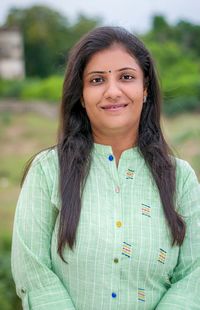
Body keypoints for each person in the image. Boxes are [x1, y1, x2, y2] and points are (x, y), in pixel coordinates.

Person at [11, 26, 200, 310]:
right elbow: (32, 270)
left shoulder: (181, 178)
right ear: (82, 95)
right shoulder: (48, 171)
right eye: (97, 80)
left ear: (145, 88)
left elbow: (193, 276)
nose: (113, 91)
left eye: (126, 77)